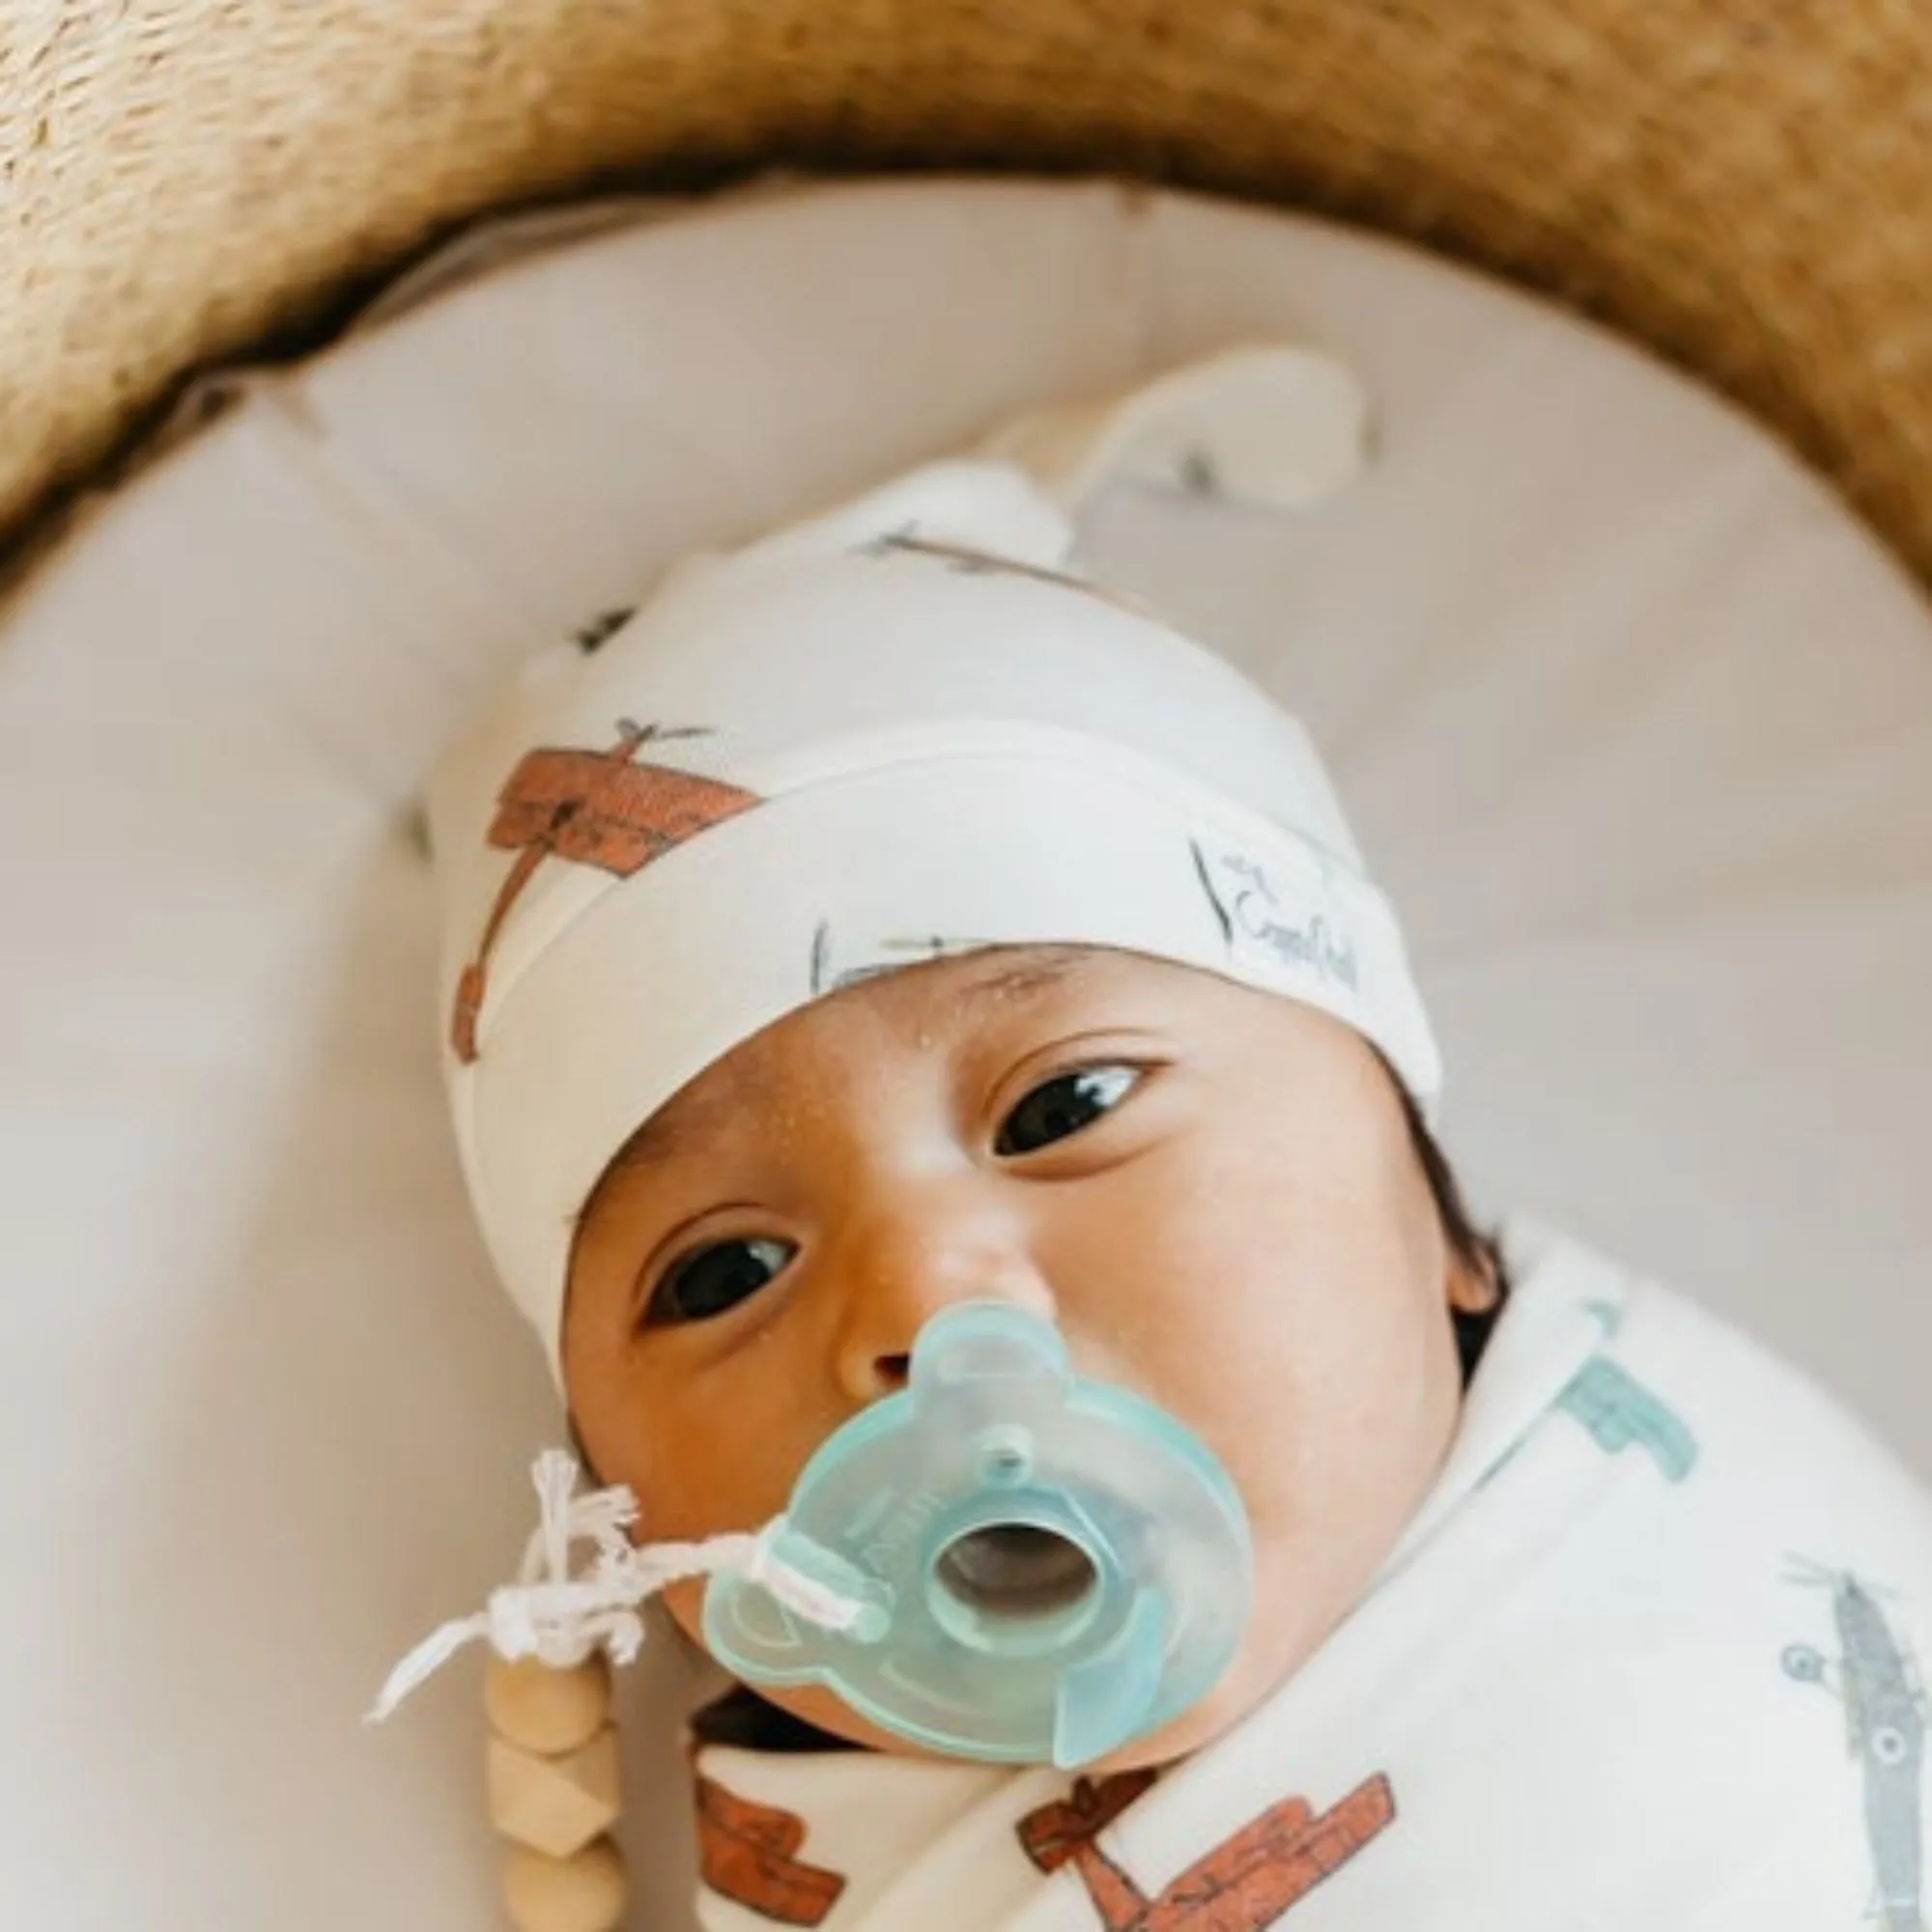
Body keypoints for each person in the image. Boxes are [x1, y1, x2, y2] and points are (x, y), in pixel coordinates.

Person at [405, 356, 1932, 1928]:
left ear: (1445, 1239)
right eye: (723, 1270)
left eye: (1062, 1109)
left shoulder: (1672, 1512)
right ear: (630, 1534)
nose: (925, 1303)